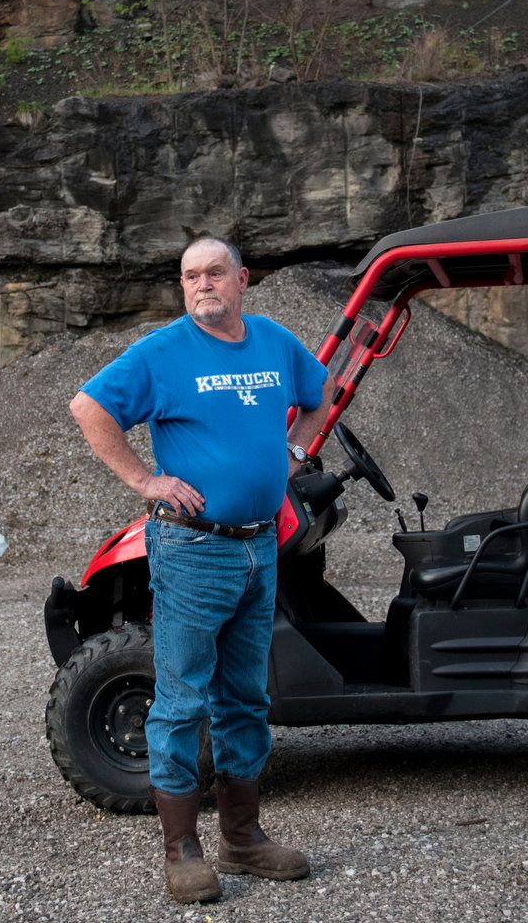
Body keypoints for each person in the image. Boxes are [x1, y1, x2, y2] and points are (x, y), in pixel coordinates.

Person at [69, 234, 334, 904]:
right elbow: (88, 407)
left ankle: (242, 838)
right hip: (192, 547)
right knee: (184, 697)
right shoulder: (163, 353)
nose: (201, 284)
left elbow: (320, 391)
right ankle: (182, 850)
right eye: (189, 275)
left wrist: (297, 448)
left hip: (257, 544)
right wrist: (143, 478)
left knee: (245, 695)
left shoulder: (273, 340)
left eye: (214, 271)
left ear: (242, 279)